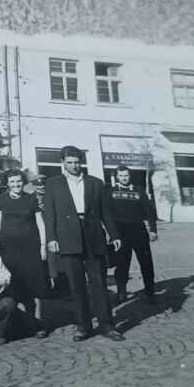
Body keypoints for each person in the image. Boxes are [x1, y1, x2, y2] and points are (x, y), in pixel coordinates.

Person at [42, 146, 124, 342]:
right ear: (63, 163)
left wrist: (114, 234)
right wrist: (51, 238)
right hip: (67, 238)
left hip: (93, 236)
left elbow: (106, 212)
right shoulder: (53, 184)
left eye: (77, 161)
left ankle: (107, 325)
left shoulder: (95, 183)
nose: (74, 165)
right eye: (69, 162)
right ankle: (83, 326)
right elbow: (49, 215)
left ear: (82, 162)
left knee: (99, 284)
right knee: (76, 286)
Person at [0, 169, 50, 338]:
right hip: (8, 249)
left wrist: (43, 246)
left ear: (23, 182)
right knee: (14, 285)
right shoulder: (1, 200)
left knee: (35, 284)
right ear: (7, 184)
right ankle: (20, 322)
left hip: (31, 247)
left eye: (18, 182)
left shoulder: (31, 199)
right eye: (12, 182)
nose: (16, 185)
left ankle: (37, 322)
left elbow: (40, 223)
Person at [107, 166, 158, 303]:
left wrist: (153, 230)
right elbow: (108, 215)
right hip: (121, 233)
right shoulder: (111, 192)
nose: (124, 178)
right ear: (117, 177)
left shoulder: (139, 190)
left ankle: (150, 292)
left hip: (138, 231)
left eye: (126, 176)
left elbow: (149, 211)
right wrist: (112, 234)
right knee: (122, 264)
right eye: (121, 176)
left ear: (130, 176)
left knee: (146, 263)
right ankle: (121, 291)